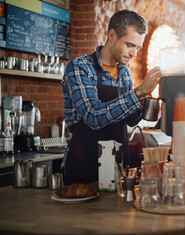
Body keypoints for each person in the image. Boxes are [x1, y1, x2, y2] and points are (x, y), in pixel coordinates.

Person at [61, 10, 161, 185]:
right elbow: (93, 117)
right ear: (112, 35)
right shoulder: (80, 67)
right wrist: (138, 92)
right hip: (85, 166)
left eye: (137, 48)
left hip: (117, 163)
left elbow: (130, 120)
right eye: (130, 45)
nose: (134, 54)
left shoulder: (125, 74)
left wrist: (144, 102)